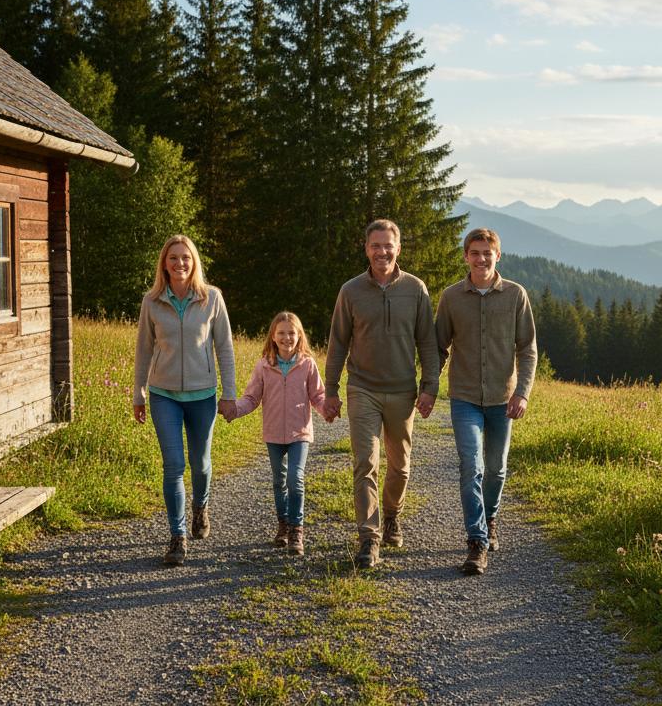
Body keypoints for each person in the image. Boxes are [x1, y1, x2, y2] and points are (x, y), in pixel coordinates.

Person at [324, 219, 440, 569]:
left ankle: (392, 515)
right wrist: (330, 390)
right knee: (365, 463)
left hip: (403, 390)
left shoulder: (416, 290)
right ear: (366, 249)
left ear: (398, 248)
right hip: (362, 388)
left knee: (400, 467)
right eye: (376, 245)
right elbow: (337, 342)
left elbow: (428, 344)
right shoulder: (351, 291)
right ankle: (369, 538)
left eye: (388, 245)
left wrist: (430, 387)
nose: (382, 252)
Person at [434, 227, 537, 576]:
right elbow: (437, 347)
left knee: (496, 468)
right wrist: (428, 386)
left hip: (502, 399)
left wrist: (522, 392)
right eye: (474, 253)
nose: (481, 259)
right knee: (471, 466)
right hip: (463, 397)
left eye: (487, 253)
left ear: (497, 256)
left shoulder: (515, 295)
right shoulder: (451, 297)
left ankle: (490, 517)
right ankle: (476, 542)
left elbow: (528, 349)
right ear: (466, 256)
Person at [133, 234, 237, 566]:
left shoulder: (212, 299)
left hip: (202, 395)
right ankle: (177, 537)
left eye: (186, 258)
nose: (180, 263)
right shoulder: (152, 301)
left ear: (194, 263)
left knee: (201, 463)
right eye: (173, 258)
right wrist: (139, 391)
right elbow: (144, 350)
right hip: (164, 395)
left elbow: (225, 349)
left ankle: (200, 506)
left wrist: (229, 393)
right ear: (164, 263)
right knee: (173, 466)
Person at [229, 311, 327, 556]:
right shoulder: (264, 365)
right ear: (273, 336)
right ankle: (283, 525)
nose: (287, 338)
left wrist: (328, 410)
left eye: (292, 333)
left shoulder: (307, 364)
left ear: (299, 336)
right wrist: (234, 410)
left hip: (299, 433)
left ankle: (297, 529)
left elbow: (318, 396)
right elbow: (251, 397)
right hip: (273, 433)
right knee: (279, 481)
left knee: (296, 479)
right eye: (282, 333)